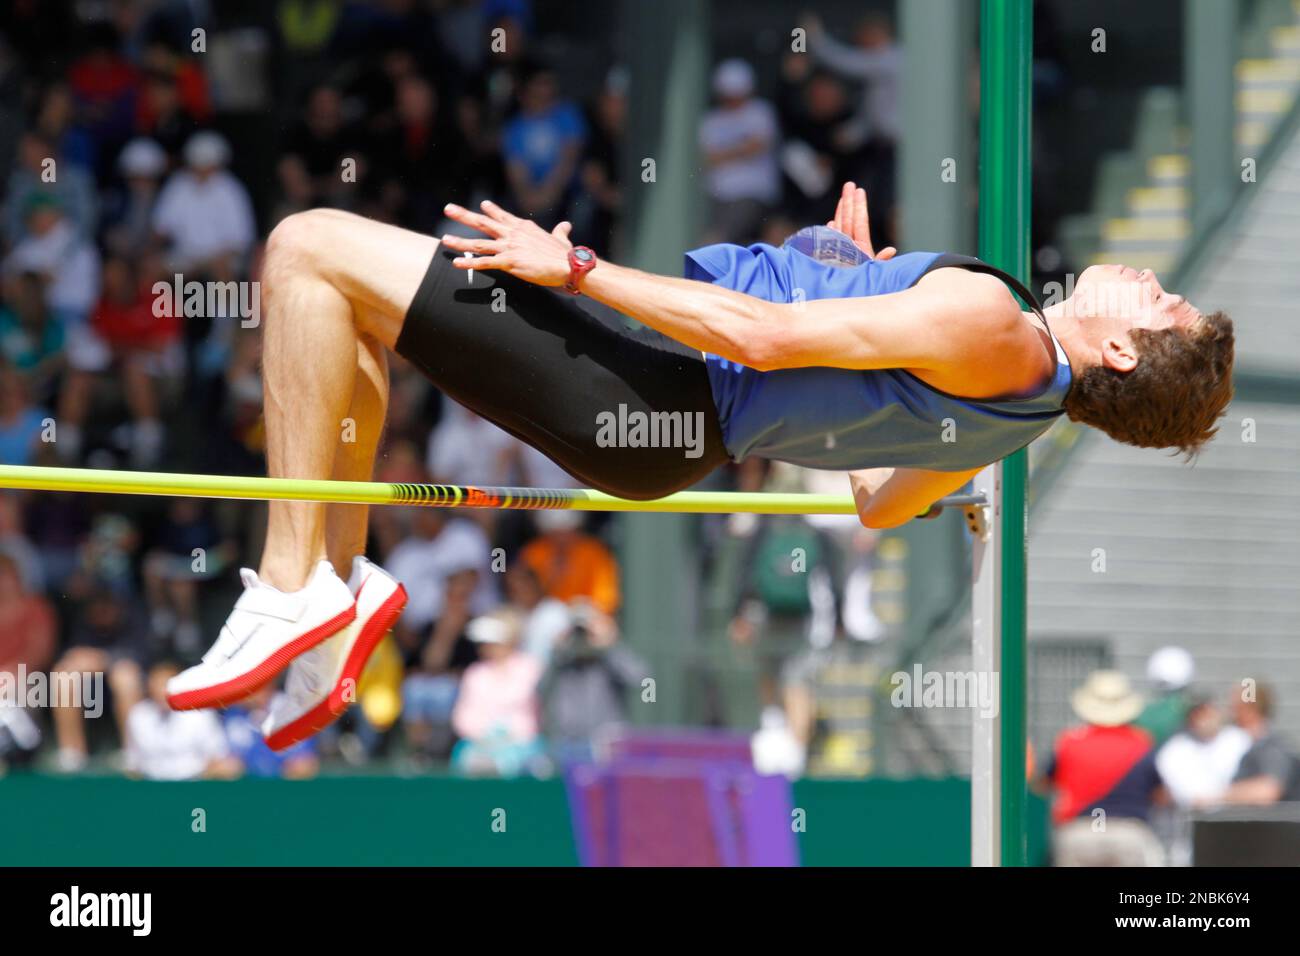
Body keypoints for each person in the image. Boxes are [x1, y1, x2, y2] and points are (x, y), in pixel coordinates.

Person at [167, 182, 1235, 755]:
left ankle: (294, 581)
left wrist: (577, 267)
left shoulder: (991, 322)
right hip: (668, 427)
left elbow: (764, 342)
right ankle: (341, 588)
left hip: (645, 383)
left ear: (1126, 351)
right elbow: (872, 497)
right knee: (338, 304)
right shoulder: (1023, 420)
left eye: (1160, 302)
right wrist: (855, 280)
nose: (1149, 277)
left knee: (306, 244)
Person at [1044, 671, 1164, 866]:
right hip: (1128, 833)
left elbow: (1045, 783)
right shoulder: (1141, 743)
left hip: (1079, 832)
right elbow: (1159, 793)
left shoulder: (1068, 742)